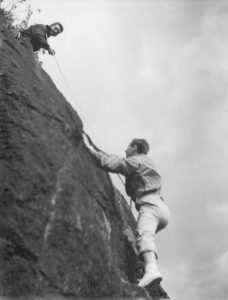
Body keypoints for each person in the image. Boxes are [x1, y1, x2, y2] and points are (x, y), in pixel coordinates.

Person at [83, 133, 170, 287]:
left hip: (150, 205)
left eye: (128, 147)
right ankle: (142, 270)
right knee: (140, 239)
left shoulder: (136, 160)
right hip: (161, 209)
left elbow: (117, 164)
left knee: (144, 235)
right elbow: (121, 160)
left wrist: (90, 150)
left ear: (135, 148)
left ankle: (151, 270)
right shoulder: (148, 162)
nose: (125, 150)